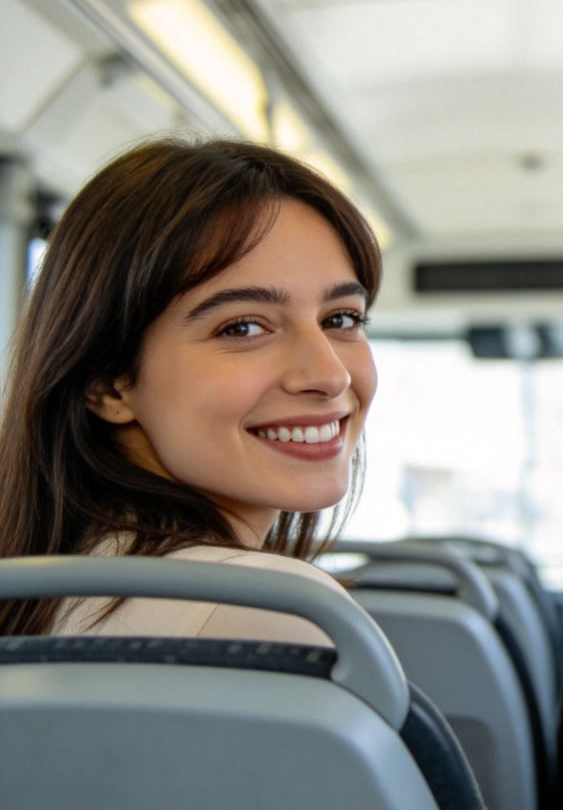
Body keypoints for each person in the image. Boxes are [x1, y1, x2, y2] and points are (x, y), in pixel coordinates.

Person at [0, 136, 381, 644]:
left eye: (341, 318)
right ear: (108, 384)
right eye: (243, 328)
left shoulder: (52, 586)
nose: (330, 375)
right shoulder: (275, 609)